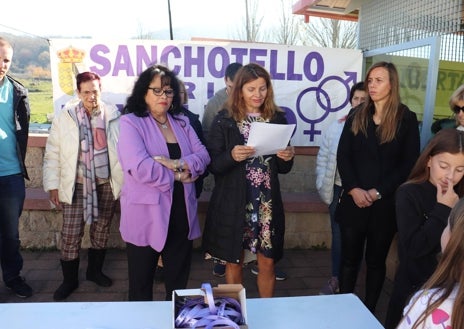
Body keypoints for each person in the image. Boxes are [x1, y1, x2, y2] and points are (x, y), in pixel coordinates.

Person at [117, 64, 210, 301]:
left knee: (178, 285)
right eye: (157, 90)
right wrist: (179, 174)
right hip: (145, 214)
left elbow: (203, 156)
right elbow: (140, 167)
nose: (164, 96)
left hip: (181, 212)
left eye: (168, 91)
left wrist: (172, 163)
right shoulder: (130, 123)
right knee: (140, 285)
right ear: (143, 93)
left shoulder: (181, 122)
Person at [202, 63, 295, 298]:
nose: (257, 95)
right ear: (239, 90)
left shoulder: (277, 118)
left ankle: (267, 311)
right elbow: (212, 163)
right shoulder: (224, 119)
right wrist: (231, 156)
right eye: (251, 89)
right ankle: (234, 315)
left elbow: (283, 168)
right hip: (234, 203)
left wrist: (286, 156)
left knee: (267, 262)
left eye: (262, 89)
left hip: (266, 203)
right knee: (234, 262)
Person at [336, 61, 420, 313]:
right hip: (354, 201)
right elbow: (344, 155)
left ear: (392, 84)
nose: (372, 85)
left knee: (375, 262)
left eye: (378, 80)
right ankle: (342, 307)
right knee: (349, 260)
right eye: (370, 80)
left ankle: (368, 310)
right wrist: (353, 189)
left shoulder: (406, 118)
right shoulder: (356, 114)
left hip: (384, 205)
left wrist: (377, 191)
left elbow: (408, 164)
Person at [43, 71, 122, 301]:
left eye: (95, 91)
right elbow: (53, 153)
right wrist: (53, 185)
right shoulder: (65, 117)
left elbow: (122, 151)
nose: (91, 96)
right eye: (86, 92)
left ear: (101, 90)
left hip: (105, 182)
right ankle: (69, 280)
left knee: (101, 229)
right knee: (70, 233)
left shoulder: (113, 115)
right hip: (75, 184)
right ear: (78, 93)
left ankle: (94, 271)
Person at [384, 128, 464, 328]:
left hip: (452, 293)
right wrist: (443, 209)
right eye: (443, 165)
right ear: (428, 160)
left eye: (460, 169)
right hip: (413, 289)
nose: (450, 176)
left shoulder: (460, 196)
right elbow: (413, 248)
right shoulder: (408, 193)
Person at [154, 78, 208, 282]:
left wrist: (181, 166)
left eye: (176, 93)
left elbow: (203, 155)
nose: (171, 98)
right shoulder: (145, 122)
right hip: (159, 189)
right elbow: (149, 163)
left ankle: (173, 273)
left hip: (188, 186)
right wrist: (174, 171)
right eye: (167, 93)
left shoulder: (190, 120)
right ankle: (160, 263)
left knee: (179, 239)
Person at [316, 81, 366, 295]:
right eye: (356, 99)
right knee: (338, 237)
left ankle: (352, 284)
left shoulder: (377, 128)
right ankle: (336, 279)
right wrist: (322, 184)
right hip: (339, 191)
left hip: (365, 195)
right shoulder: (336, 126)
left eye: (365, 99)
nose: (360, 103)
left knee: (358, 240)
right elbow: (323, 157)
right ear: (350, 101)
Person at [396, 196, 464, 329]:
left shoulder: (429, 305)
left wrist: (442, 209)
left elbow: (415, 246)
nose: (449, 176)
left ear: (452, 239)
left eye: (447, 224)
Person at [0, 37, 33, 298]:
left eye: (6, 60)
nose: (2, 64)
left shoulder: (18, 92)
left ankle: (13, 277)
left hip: (11, 175)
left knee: (10, 235)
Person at [202, 62, 243, 141]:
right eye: (231, 87)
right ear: (225, 80)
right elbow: (206, 133)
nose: (234, 92)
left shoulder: (252, 101)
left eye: (238, 88)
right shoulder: (214, 103)